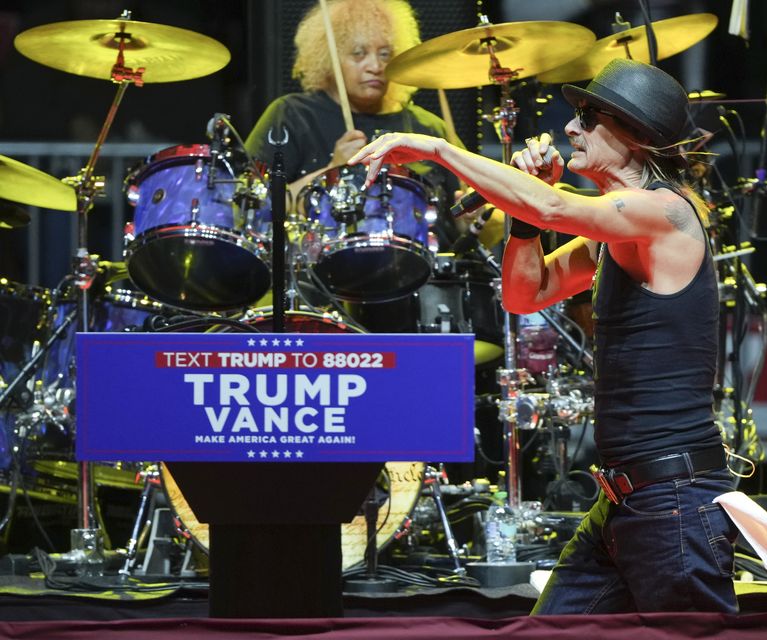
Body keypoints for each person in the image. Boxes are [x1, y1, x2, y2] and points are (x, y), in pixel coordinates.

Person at [349, 58, 738, 614]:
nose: (571, 128)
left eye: (588, 116)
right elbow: (524, 294)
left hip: (673, 502)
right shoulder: (611, 234)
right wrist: (524, 215)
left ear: (638, 136)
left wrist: (438, 150)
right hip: (627, 500)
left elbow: (556, 206)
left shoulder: (666, 214)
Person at [245, 0, 465, 248]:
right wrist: (331, 170)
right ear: (329, 58)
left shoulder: (429, 128)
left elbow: (470, 228)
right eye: (359, 54)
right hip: (320, 279)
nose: (375, 67)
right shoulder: (292, 115)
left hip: (426, 278)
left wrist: (471, 222)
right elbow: (250, 207)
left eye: (385, 54)